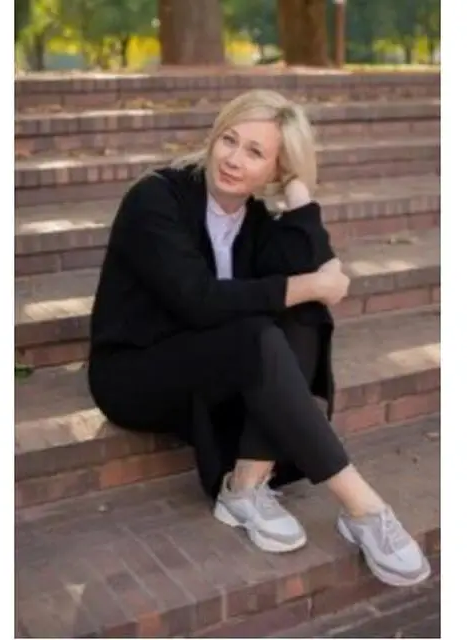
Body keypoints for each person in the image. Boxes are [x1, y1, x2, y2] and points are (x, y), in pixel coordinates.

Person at [88, 89, 430, 588]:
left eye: (255, 152)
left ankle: (246, 484)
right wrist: (309, 284)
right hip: (136, 374)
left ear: (275, 169)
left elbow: (314, 268)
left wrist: (299, 194)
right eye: (228, 140)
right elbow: (197, 300)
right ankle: (364, 507)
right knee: (268, 319)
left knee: (300, 310)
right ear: (213, 138)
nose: (233, 159)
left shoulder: (254, 222)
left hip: (211, 365)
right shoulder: (156, 198)